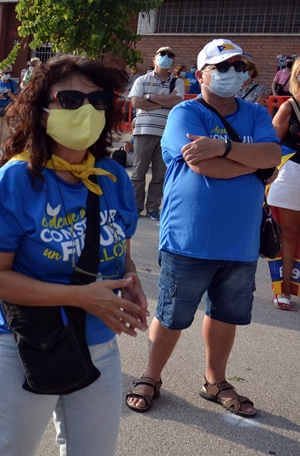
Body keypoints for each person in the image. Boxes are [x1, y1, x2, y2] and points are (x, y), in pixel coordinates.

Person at [0, 54, 148, 455]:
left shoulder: (113, 177)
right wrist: (81, 296)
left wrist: (130, 280)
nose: (86, 111)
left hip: (100, 343)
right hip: (27, 344)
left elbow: (117, 246)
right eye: (70, 100)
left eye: (98, 101)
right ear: (41, 109)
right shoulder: (14, 181)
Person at [126, 39, 281, 418]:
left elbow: (273, 156)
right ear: (200, 75)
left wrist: (223, 148)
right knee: (172, 314)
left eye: (239, 67)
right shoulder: (184, 113)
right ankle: (151, 376)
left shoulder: (257, 114)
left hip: (241, 242)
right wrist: (251, 161)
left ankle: (215, 380)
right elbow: (203, 166)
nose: (234, 75)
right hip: (188, 238)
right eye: (223, 68)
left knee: (226, 315)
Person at [128, 46, 185, 220]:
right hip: (143, 131)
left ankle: (153, 207)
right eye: (162, 54)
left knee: (160, 173)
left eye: (170, 55)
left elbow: (176, 101)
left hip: (167, 133)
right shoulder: (142, 80)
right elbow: (136, 102)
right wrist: (163, 102)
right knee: (138, 172)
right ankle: (136, 207)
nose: (166, 57)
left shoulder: (177, 82)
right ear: (154, 59)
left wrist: (150, 98)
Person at [268, 61, 300, 310]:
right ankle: (284, 289)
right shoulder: (290, 106)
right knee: (288, 234)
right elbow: (270, 145)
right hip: (292, 175)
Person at [0, 68, 19, 157]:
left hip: (8, 108)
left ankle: (3, 148)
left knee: (5, 130)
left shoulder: (12, 84)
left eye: (9, 73)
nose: (7, 74)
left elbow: (17, 99)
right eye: (5, 73)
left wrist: (10, 94)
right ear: (0, 74)